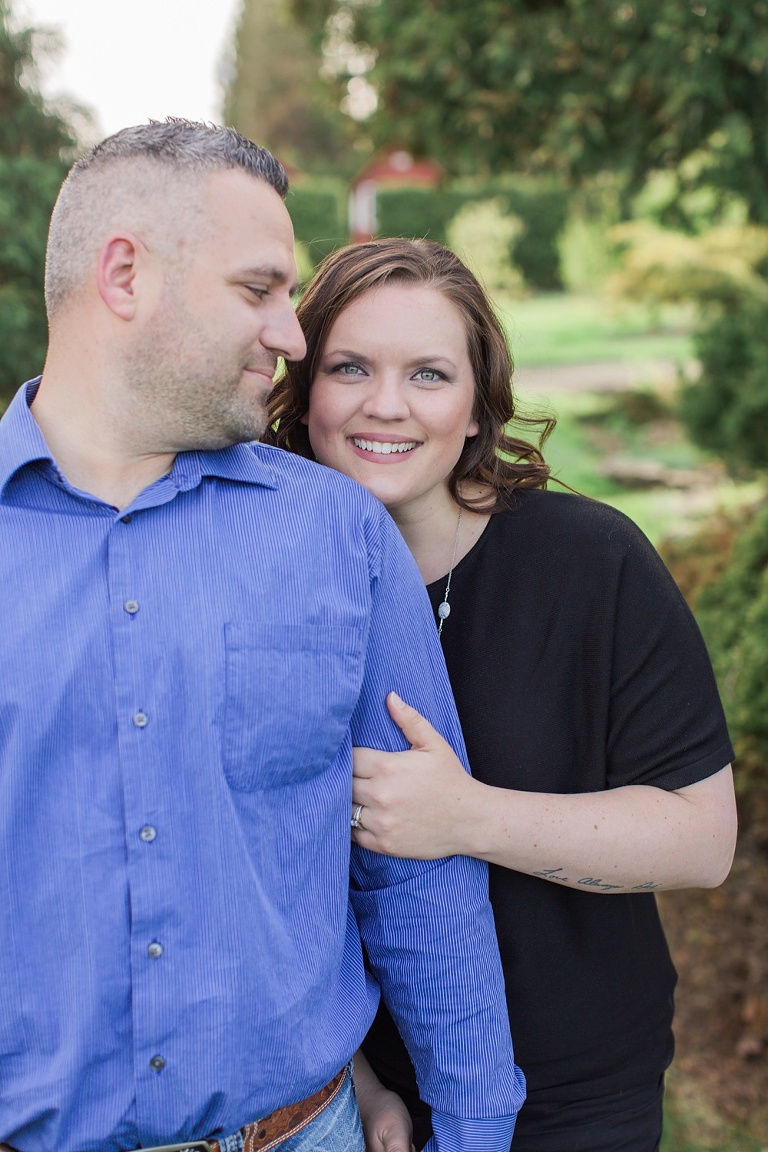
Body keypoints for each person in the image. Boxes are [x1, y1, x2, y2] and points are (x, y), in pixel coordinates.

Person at [0, 124, 526, 1152]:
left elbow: (419, 877)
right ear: (125, 275)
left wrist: (473, 1126)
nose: (292, 335)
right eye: (259, 290)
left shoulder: (339, 534)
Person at [266, 237, 738, 1152]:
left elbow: (701, 839)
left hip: (578, 1101)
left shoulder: (590, 562)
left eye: (430, 374)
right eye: (349, 366)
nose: (385, 405)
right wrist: (353, 1083)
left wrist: (467, 817)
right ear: (304, 387)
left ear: (478, 407)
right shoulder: (265, 581)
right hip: (355, 1103)